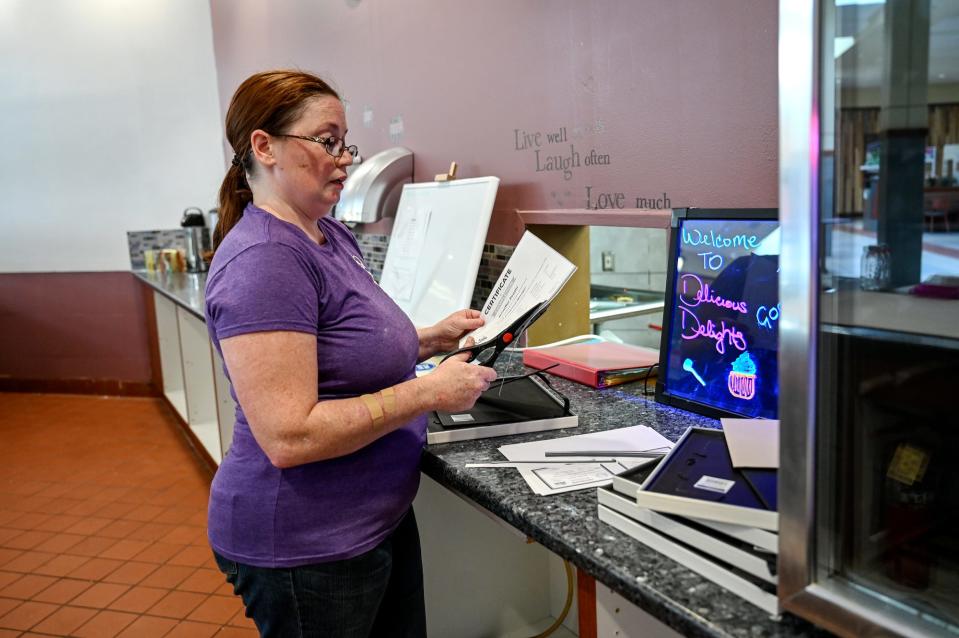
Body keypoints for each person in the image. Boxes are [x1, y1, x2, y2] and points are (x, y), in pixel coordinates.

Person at [204, 70, 497, 637]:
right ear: (264, 147)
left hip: (371, 520)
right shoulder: (265, 261)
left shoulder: (326, 234)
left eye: (346, 144)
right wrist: (428, 391)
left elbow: (342, 344)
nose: (344, 160)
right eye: (327, 141)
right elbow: (290, 436)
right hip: (305, 544)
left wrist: (429, 338)